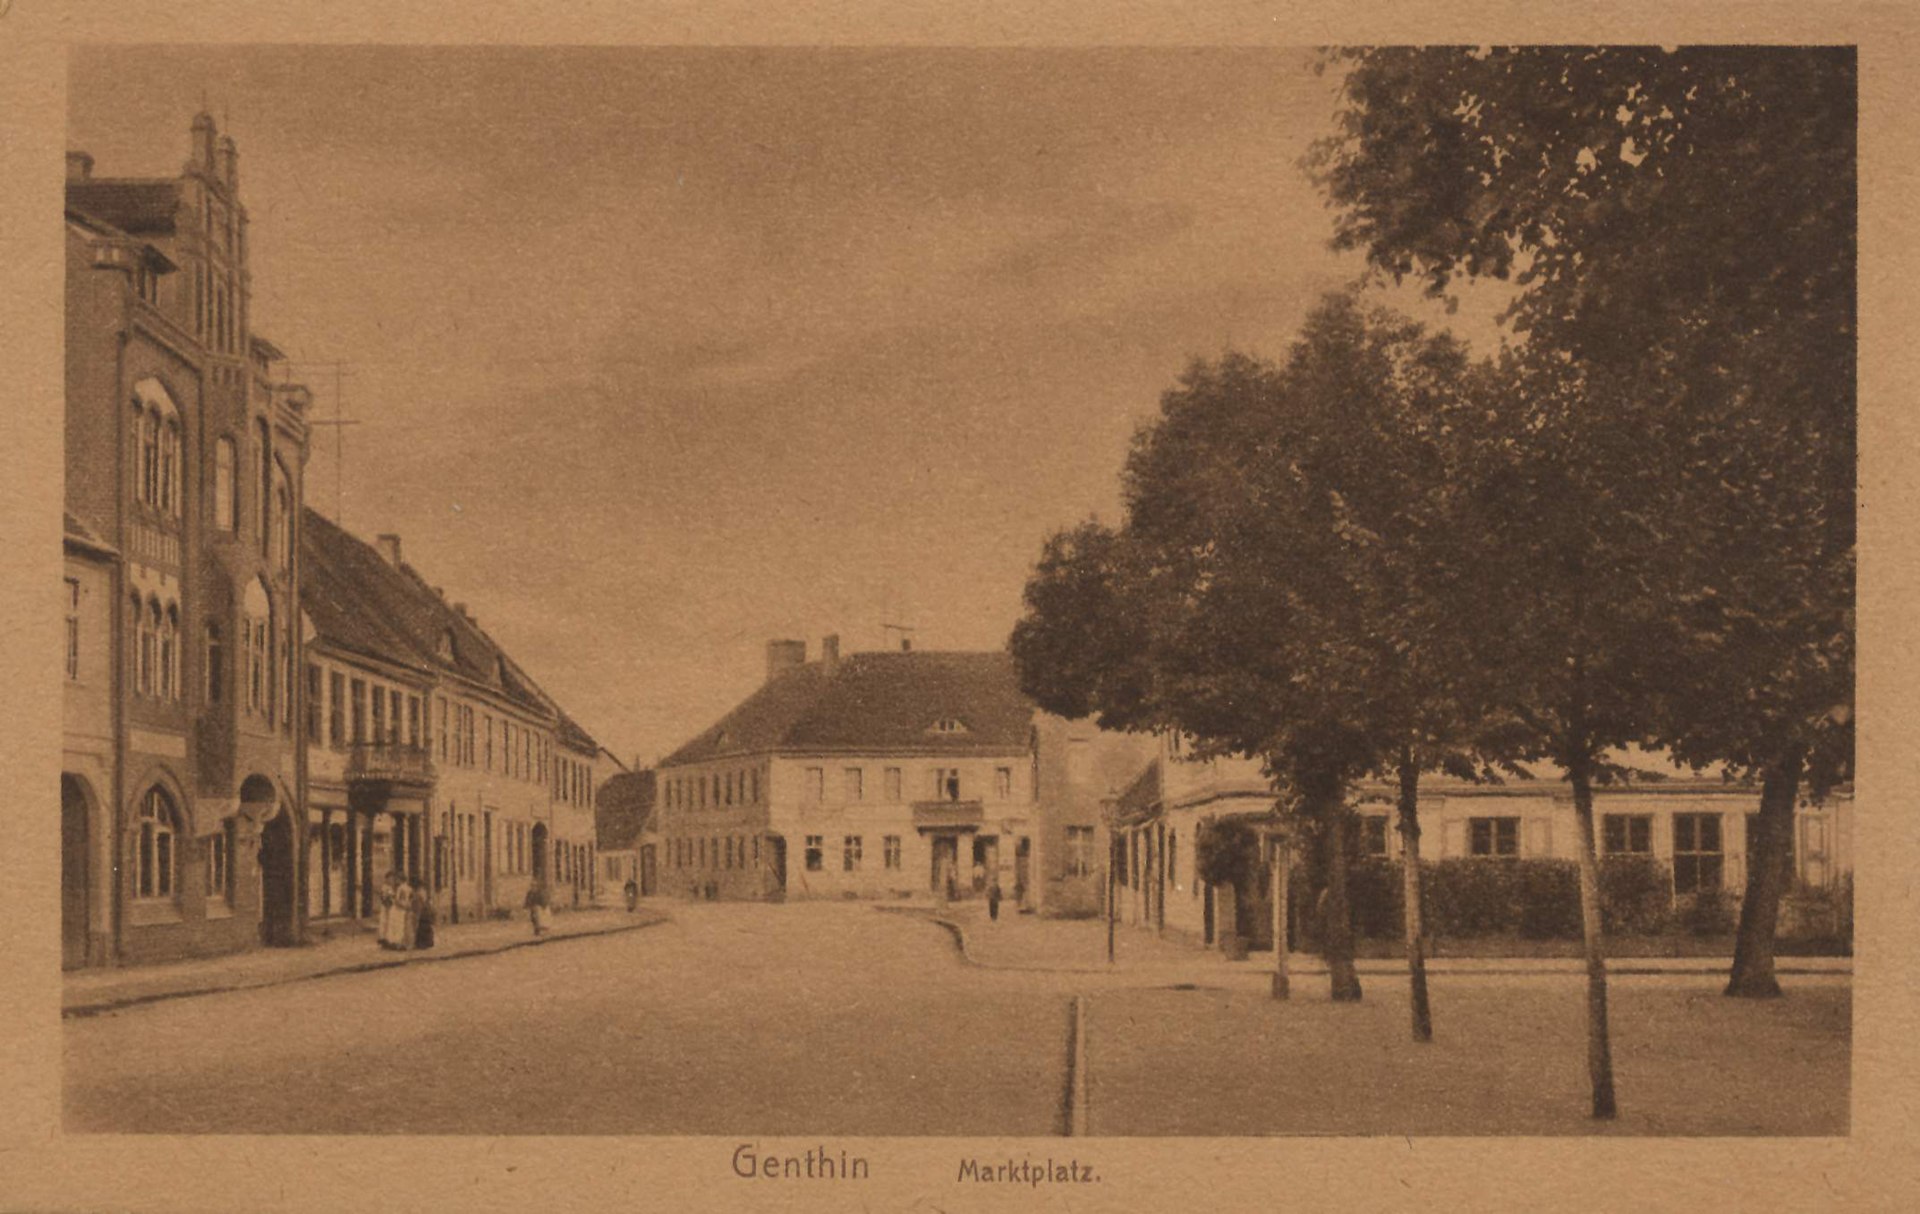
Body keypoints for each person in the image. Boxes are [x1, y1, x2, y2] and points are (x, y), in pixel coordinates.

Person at [377, 871, 402, 950]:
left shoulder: (390, 887)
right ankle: (385, 940)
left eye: (393, 879)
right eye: (390, 879)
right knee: (385, 923)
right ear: (387, 879)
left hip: (389, 908)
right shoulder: (385, 887)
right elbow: (384, 898)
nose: (392, 881)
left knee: (388, 924)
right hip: (386, 908)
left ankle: (388, 940)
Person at [412, 880, 436, 950]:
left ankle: (423, 943)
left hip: (423, 909)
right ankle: (425, 942)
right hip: (424, 909)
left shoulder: (420, 892)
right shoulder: (423, 891)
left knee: (423, 925)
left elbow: (422, 900)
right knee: (423, 925)